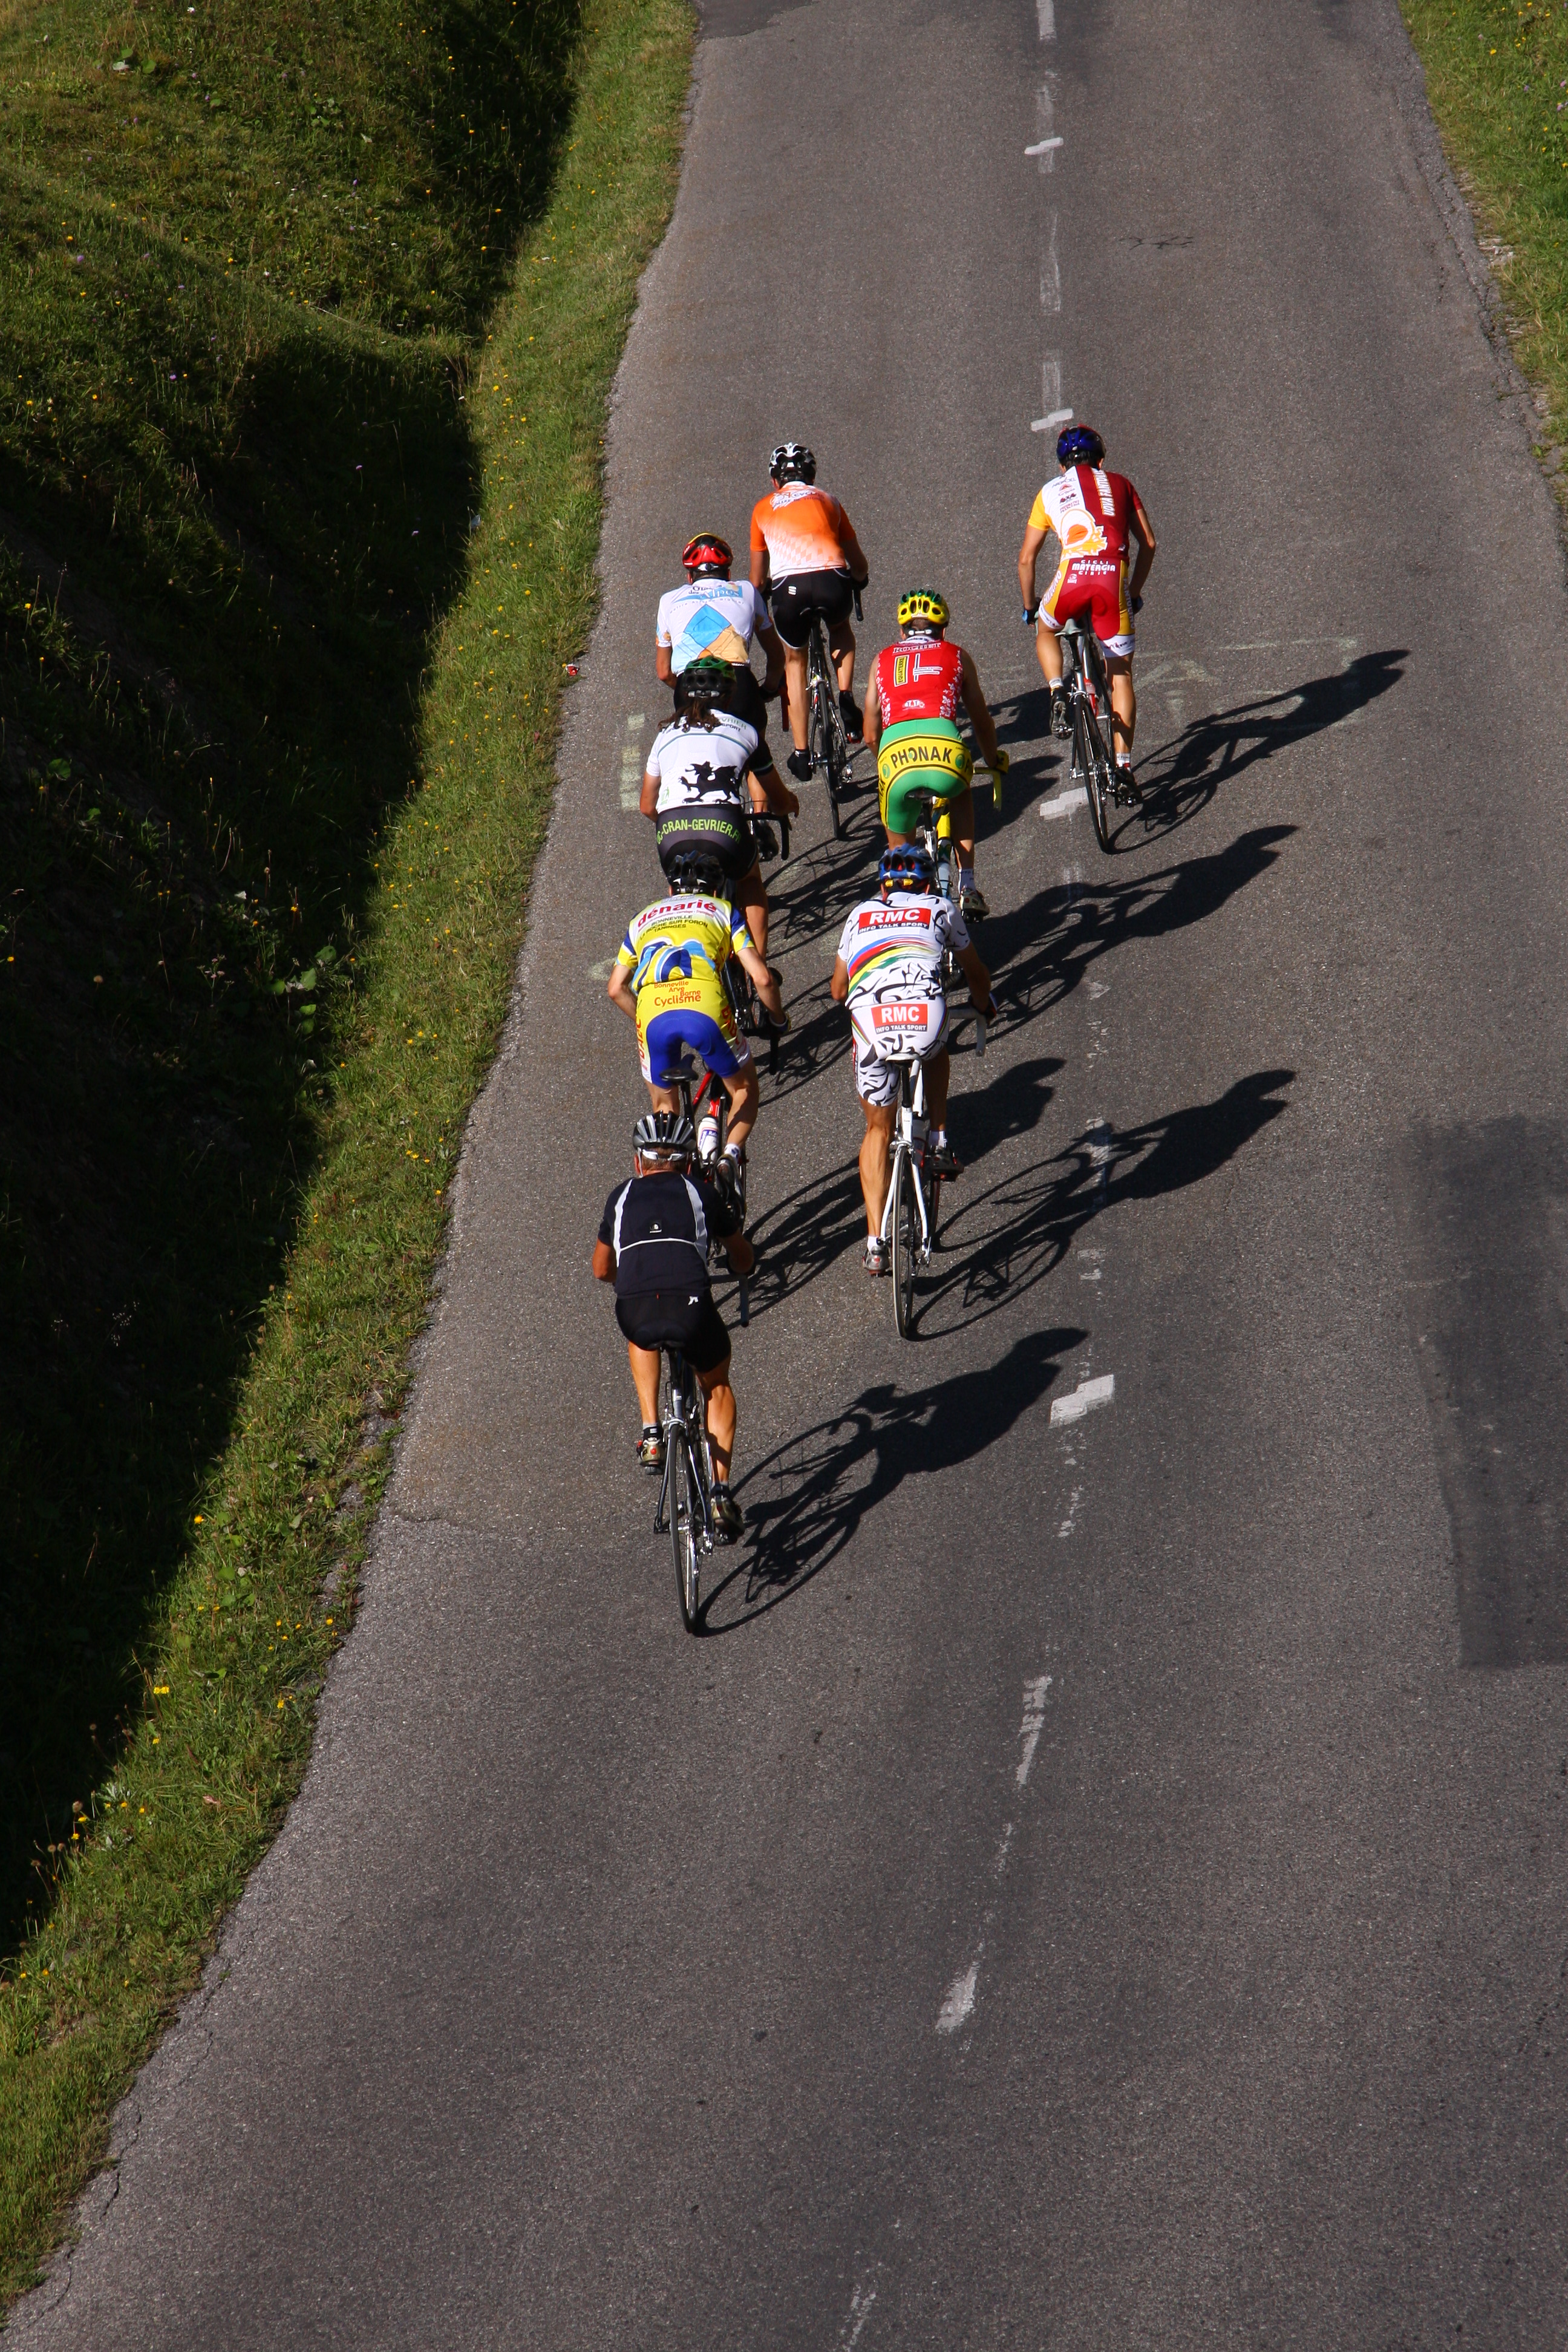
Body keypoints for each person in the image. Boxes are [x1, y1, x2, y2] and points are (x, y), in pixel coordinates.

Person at [829, 844, 995, 1276]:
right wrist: (984, 1005)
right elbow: (975, 973)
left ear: (883, 887)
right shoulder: (940, 907)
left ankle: (874, 1243)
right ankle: (938, 1138)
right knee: (936, 1048)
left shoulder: (859, 913)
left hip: (871, 1024)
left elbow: (836, 990)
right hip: (923, 1016)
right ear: (925, 883)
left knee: (877, 1130)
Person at [593, 1109, 753, 1536]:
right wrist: (743, 1268)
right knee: (716, 1384)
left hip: (637, 1307)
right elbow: (741, 1254)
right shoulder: (703, 1194)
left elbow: (600, 1269)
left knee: (641, 1333)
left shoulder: (620, 1197)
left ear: (637, 1163)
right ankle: (719, 1495)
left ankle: (651, 1432)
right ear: (688, 1163)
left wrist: (626, 1278)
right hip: (692, 1308)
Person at [607, 855, 783, 1192]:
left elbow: (615, 988)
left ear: (671, 889)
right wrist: (777, 1018)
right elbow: (761, 978)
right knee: (744, 1088)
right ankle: (729, 1156)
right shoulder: (721, 910)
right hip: (706, 1007)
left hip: (653, 1012)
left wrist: (644, 1020)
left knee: (665, 1111)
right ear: (716, 889)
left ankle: (675, 1192)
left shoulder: (643, 918)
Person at [1017, 422, 1156, 789]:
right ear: (1102, 461)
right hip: (1112, 578)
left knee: (1046, 628)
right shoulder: (1121, 483)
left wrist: (1030, 607)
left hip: (1072, 578)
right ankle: (1124, 766)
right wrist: (1135, 592)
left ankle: (1057, 691)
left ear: (1063, 467)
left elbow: (1027, 560)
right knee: (1121, 674)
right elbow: (1150, 544)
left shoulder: (1048, 491)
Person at [862, 587, 1010, 921]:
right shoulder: (956, 654)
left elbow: (871, 733)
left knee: (899, 853)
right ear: (942, 630)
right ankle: (968, 884)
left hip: (895, 759)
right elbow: (982, 721)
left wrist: (885, 764)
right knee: (960, 791)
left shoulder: (881, 660)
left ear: (902, 632)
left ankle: (903, 912)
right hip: (946, 753)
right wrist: (992, 760)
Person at [639, 657, 797, 963]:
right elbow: (777, 799)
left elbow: (647, 805)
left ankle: (690, 963)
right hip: (725, 828)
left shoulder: (664, 735)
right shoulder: (746, 732)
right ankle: (756, 971)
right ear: (729, 695)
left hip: (672, 833)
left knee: (680, 886)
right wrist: (789, 803)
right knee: (750, 881)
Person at [748, 443, 871, 781]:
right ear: (812, 477)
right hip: (832, 580)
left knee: (795, 662)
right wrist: (859, 580)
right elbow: (858, 564)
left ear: (776, 481)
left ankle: (802, 753)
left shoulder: (763, 508)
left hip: (789, 591)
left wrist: (763, 595)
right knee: (841, 627)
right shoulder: (829, 500)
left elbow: (758, 579)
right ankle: (845, 695)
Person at [655, 531, 787, 747]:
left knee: (696, 767)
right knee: (755, 763)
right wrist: (769, 689)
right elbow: (776, 656)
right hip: (738, 681)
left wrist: (691, 685)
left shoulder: (668, 600)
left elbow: (664, 672)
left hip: (690, 684)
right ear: (728, 575)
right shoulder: (747, 590)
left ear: (690, 577)